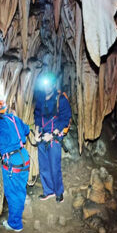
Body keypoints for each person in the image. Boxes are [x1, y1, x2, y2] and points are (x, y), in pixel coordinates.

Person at [0, 100, 30, 232]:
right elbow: (27, 129)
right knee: (20, 189)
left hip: (12, 162)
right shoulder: (14, 118)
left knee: (12, 193)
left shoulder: (1, 123)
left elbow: (5, 139)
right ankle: (17, 215)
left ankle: (15, 224)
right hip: (24, 157)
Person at [34, 73, 71, 203]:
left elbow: (65, 117)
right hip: (43, 135)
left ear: (54, 85)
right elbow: (37, 114)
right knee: (43, 165)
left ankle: (59, 192)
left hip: (54, 136)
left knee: (55, 165)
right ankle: (48, 191)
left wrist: (54, 133)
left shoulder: (60, 99)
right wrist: (37, 130)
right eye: (45, 85)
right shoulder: (40, 98)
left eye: (49, 85)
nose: (47, 87)